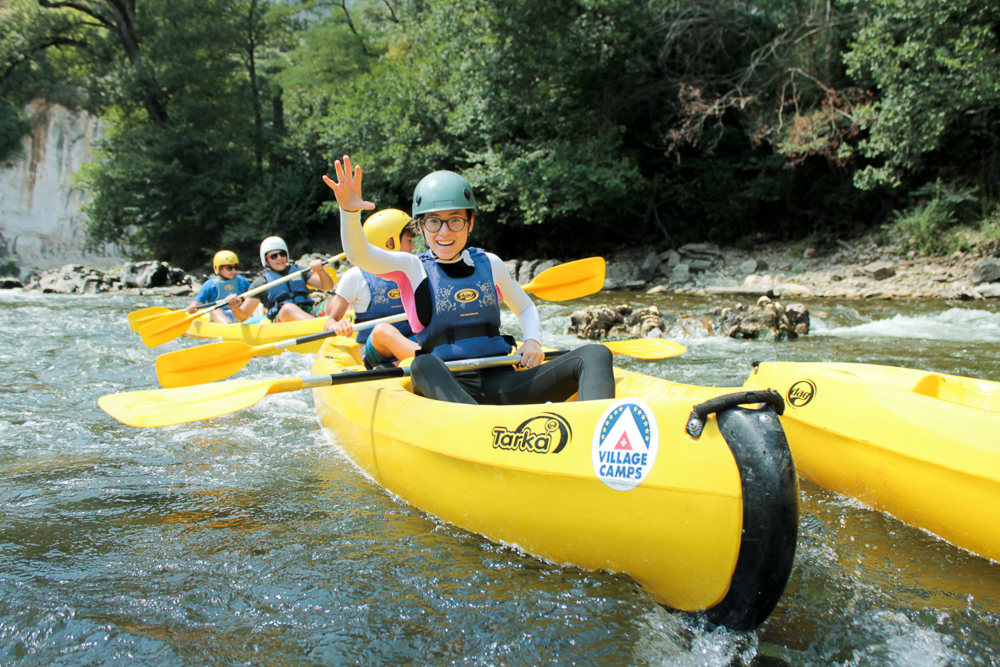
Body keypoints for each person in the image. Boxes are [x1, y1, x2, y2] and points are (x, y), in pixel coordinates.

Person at [323, 155, 616, 405]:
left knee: (595, 354)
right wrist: (349, 212)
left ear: (470, 222)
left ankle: (593, 431)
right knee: (422, 363)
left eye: (455, 220)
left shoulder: (491, 263)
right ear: (421, 227)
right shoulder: (411, 267)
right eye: (434, 221)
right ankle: (474, 423)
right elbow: (359, 254)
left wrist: (532, 340)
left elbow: (526, 307)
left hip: (503, 379)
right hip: (447, 384)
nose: (445, 232)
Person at [323, 209, 421, 369]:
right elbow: (331, 320)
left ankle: (398, 364)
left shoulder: (416, 269)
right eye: (409, 241)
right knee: (383, 330)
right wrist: (336, 325)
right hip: (377, 349)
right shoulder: (355, 277)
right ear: (390, 243)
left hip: (413, 340)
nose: (413, 246)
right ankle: (435, 360)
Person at [236, 236, 335, 322]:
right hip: (283, 319)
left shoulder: (298, 271)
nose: (279, 258)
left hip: (308, 312)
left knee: (336, 300)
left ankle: (340, 326)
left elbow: (328, 286)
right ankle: (319, 327)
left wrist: (320, 270)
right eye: (274, 256)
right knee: (288, 308)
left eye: (282, 254)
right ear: (266, 260)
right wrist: (234, 307)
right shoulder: (261, 283)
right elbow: (243, 315)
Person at [186, 250, 252, 324]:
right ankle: (228, 325)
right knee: (214, 310)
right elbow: (198, 303)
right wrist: (192, 307)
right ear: (219, 268)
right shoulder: (210, 284)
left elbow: (254, 296)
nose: (233, 271)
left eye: (235, 267)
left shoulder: (242, 281)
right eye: (229, 268)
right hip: (221, 315)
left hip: (240, 313)